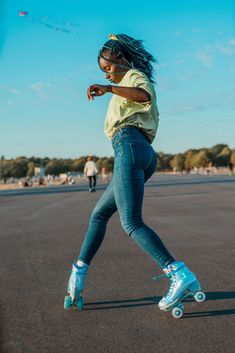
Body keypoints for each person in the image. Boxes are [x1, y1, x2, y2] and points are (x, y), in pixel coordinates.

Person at [64, 34, 205, 317]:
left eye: (108, 67)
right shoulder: (124, 82)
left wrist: (109, 87)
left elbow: (144, 95)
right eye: (104, 71)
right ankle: (77, 275)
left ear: (122, 59)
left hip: (130, 145)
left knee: (131, 222)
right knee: (99, 215)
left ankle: (178, 273)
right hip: (137, 150)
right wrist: (111, 87)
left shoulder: (134, 76)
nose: (107, 73)